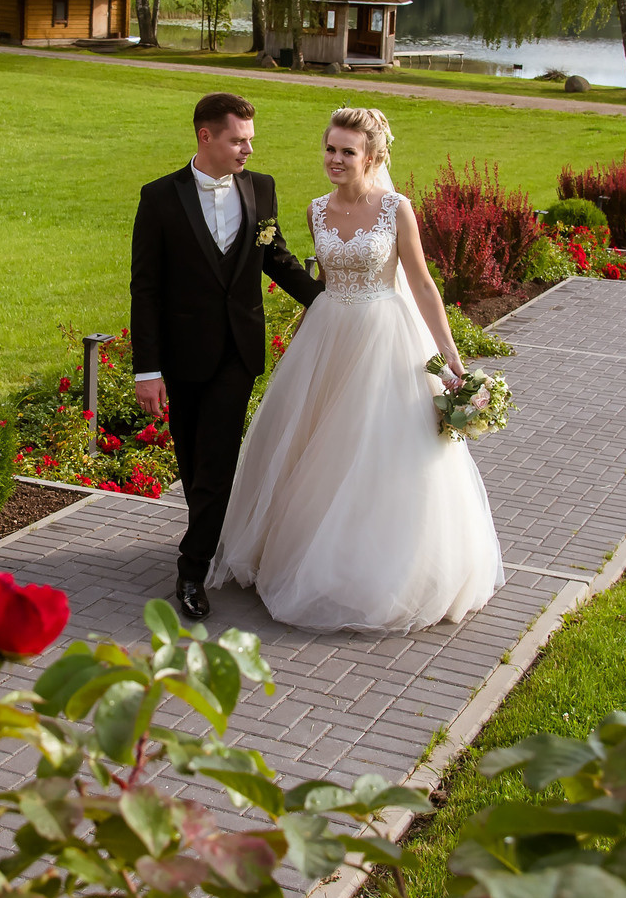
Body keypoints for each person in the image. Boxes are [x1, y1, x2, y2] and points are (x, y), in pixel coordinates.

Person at [208, 107, 504, 632]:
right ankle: (302, 551)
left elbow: (422, 284)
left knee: (375, 449)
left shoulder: (397, 209)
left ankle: (376, 565)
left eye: (348, 151)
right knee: (314, 447)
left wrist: (451, 356)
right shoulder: (315, 210)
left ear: (372, 156)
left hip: (385, 337)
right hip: (328, 336)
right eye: (331, 149)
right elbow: (321, 277)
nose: (336, 160)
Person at [131, 92, 324, 623]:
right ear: (206, 137)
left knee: (216, 459)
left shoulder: (261, 189)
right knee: (193, 461)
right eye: (238, 140)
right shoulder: (160, 199)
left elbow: (277, 258)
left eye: (251, 141)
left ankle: (191, 570)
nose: (247, 150)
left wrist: (330, 300)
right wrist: (147, 370)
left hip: (238, 351)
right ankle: (208, 538)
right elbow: (144, 289)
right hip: (181, 355)